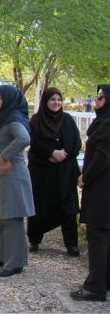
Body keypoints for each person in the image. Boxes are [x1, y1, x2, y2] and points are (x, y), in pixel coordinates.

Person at [0, 85, 34, 278]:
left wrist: (4, 156)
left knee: (12, 217)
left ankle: (15, 263)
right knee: (0, 215)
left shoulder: (14, 120)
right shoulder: (3, 118)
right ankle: (1, 256)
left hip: (12, 176)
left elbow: (24, 138)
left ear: (10, 101)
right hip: (0, 176)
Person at [27, 87, 81, 256]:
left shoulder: (67, 120)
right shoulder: (36, 121)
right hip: (43, 173)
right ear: (45, 101)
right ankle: (35, 240)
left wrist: (62, 155)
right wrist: (50, 153)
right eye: (52, 99)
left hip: (65, 172)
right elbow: (33, 144)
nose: (56, 103)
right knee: (40, 205)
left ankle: (71, 244)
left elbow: (76, 144)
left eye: (59, 99)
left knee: (68, 209)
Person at [70, 84, 110, 302]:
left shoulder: (107, 124)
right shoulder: (102, 122)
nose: (97, 100)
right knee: (103, 234)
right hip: (102, 187)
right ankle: (103, 281)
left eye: (102, 97)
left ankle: (95, 287)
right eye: (96, 96)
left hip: (102, 189)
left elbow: (102, 157)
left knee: (97, 234)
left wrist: (85, 177)